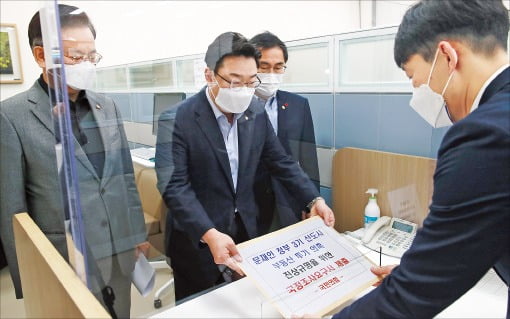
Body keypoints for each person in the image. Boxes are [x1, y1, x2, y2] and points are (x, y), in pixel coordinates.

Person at [328, 0, 510, 318]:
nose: (419, 93)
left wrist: (418, 274)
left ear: (447, 56)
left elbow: (414, 295)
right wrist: (421, 267)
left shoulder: (484, 134)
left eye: (415, 79)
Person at [155, 32, 335, 301]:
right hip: (197, 240)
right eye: (234, 81)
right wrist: (209, 233)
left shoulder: (255, 111)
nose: (244, 90)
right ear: (209, 75)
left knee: (245, 305)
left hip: (247, 233)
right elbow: (174, 186)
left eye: (251, 81)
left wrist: (313, 199)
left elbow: (281, 162)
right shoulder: (177, 119)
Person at [0, 5, 147, 318]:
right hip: (62, 260)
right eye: (75, 57)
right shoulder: (11, 116)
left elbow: (122, 177)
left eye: (91, 56)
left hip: (116, 251)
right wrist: (30, 277)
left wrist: (136, 235)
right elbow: (12, 211)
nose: (86, 65)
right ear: (41, 56)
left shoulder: (106, 106)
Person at [250, 32, 320, 235]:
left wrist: (311, 200)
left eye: (278, 67)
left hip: (289, 199)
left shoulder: (298, 105)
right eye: (264, 67)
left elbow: (309, 160)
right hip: (251, 203)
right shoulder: (237, 106)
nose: (271, 73)